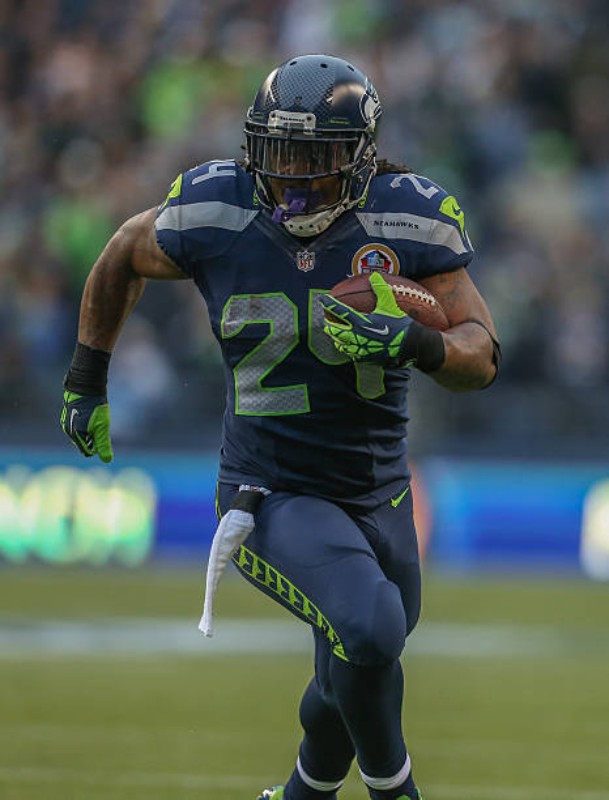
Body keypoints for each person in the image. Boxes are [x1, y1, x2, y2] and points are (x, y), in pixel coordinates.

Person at [60, 54, 500, 800]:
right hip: (272, 489)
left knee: (355, 664)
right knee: (369, 629)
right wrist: (85, 378)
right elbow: (122, 252)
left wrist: (415, 344)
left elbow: (481, 354)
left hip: (380, 491)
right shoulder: (219, 208)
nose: (292, 174)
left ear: (359, 156)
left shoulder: (407, 217)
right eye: (279, 151)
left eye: (313, 155)